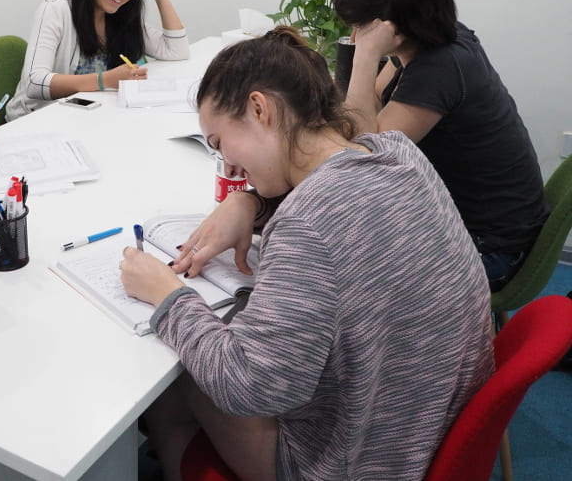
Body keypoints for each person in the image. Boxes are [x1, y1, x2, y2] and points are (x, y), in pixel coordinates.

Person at [119, 27, 493, 481]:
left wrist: (167, 296)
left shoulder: (308, 224)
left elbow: (247, 386)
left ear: (260, 108)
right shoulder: (395, 152)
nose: (230, 167)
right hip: (426, 422)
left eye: (219, 143)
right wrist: (251, 202)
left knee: (174, 384)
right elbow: (346, 210)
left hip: (356, 460)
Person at [333, 0, 549, 291]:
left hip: (493, 249)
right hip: (490, 225)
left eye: (362, 26)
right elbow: (373, 96)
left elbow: (364, 158)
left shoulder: (441, 66)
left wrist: (364, 55)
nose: (356, 35)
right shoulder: (436, 37)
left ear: (393, 25)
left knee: (349, 277)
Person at [6, 0, 189, 120]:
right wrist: (104, 80)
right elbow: (34, 83)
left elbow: (176, 50)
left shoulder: (121, 13)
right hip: (38, 120)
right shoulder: (55, 9)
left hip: (89, 118)